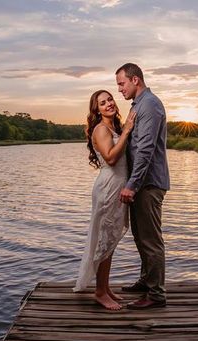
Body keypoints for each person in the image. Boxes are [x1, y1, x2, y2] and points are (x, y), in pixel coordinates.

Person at [73, 90, 136, 310]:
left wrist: (125, 129)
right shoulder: (101, 129)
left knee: (109, 239)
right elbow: (110, 158)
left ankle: (105, 287)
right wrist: (127, 131)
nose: (109, 103)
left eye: (110, 99)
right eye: (102, 102)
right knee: (104, 239)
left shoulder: (113, 127)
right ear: (96, 109)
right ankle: (100, 292)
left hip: (117, 185)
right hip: (109, 188)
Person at [116, 63, 170, 310]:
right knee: (140, 236)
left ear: (135, 80)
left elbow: (145, 149)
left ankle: (156, 295)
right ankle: (147, 281)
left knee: (150, 240)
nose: (119, 89)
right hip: (142, 183)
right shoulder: (139, 105)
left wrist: (132, 185)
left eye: (121, 83)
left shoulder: (149, 105)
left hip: (147, 184)